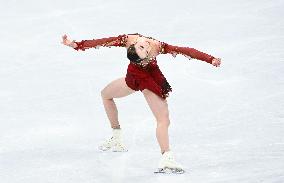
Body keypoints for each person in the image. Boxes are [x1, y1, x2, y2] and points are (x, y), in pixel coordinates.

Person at [61, 33, 221, 174]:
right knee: (106, 95)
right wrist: (75, 45)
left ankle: (166, 157)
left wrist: (210, 59)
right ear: (144, 56)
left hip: (147, 80)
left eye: (141, 44)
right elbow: (101, 43)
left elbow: (186, 51)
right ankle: (117, 138)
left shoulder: (130, 40)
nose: (145, 42)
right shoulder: (155, 47)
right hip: (134, 79)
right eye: (143, 46)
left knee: (163, 120)